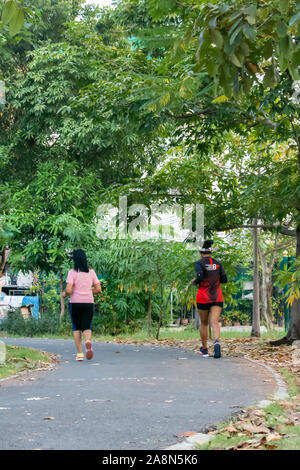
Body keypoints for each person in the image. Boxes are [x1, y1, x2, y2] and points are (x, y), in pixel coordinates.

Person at [62, 249, 102, 361]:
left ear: (75, 260)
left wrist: (64, 294)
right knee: (87, 326)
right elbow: (98, 289)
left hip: (75, 303)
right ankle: (88, 341)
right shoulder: (91, 272)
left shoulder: (72, 272)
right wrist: (88, 292)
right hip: (88, 302)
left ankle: (80, 354)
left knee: (76, 328)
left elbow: (69, 290)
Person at [191, 240, 227, 358]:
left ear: (201, 253)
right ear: (210, 252)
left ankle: (205, 349)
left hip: (203, 297)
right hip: (216, 296)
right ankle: (216, 342)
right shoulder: (218, 263)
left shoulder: (198, 263)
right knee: (215, 322)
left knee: (204, 323)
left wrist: (194, 282)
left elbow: (200, 276)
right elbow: (224, 279)